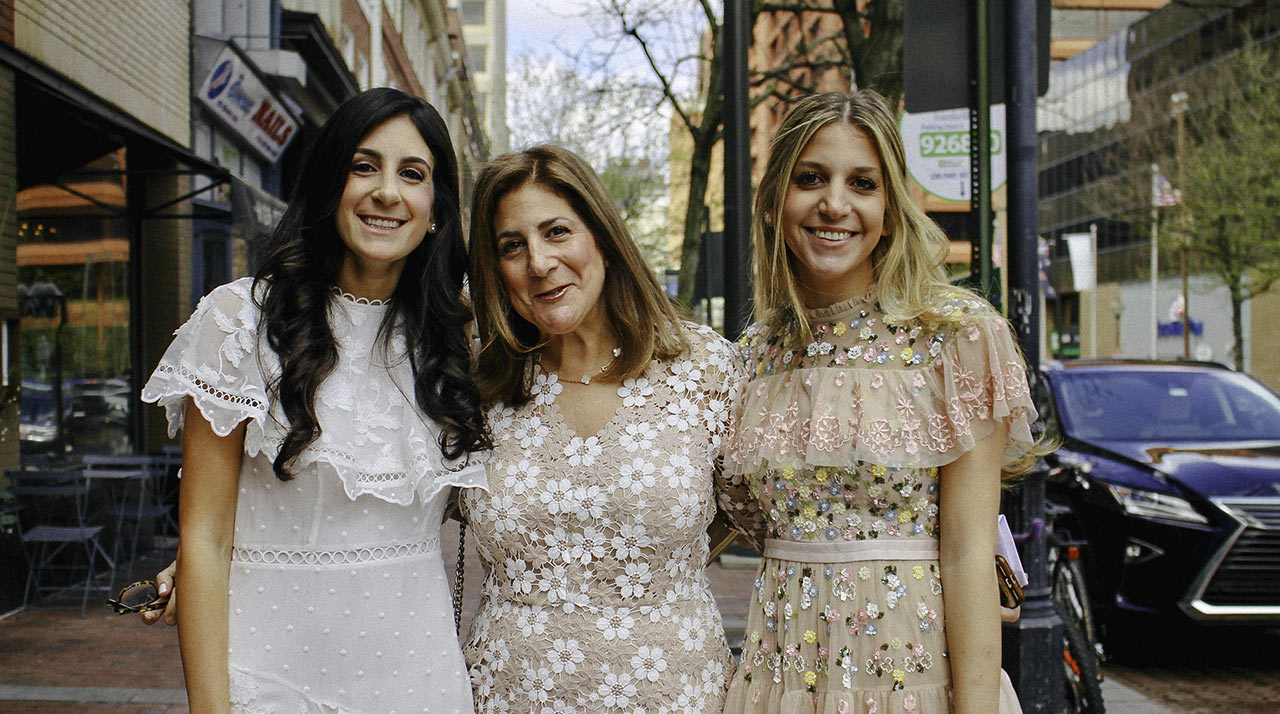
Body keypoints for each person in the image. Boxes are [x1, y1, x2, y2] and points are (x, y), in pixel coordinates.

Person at [139, 87, 490, 714]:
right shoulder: (239, 322)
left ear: (435, 207)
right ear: (330, 185)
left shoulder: (456, 342)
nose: (387, 191)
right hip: (268, 680)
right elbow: (205, 541)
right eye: (364, 166)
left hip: (421, 683)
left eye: (412, 174)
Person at [720, 90, 1037, 714]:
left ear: (890, 210)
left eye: (861, 183)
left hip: (912, 680)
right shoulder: (750, 357)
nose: (833, 203)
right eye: (810, 178)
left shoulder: (958, 336)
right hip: (778, 678)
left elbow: (971, 553)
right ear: (777, 200)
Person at [460, 145, 763, 713]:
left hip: (675, 693)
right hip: (512, 694)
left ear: (601, 235)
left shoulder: (704, 368)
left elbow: (759, 519)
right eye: (512, 246)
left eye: (557, 232)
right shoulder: (480, 393)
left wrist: (664, 567)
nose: (539, 263)